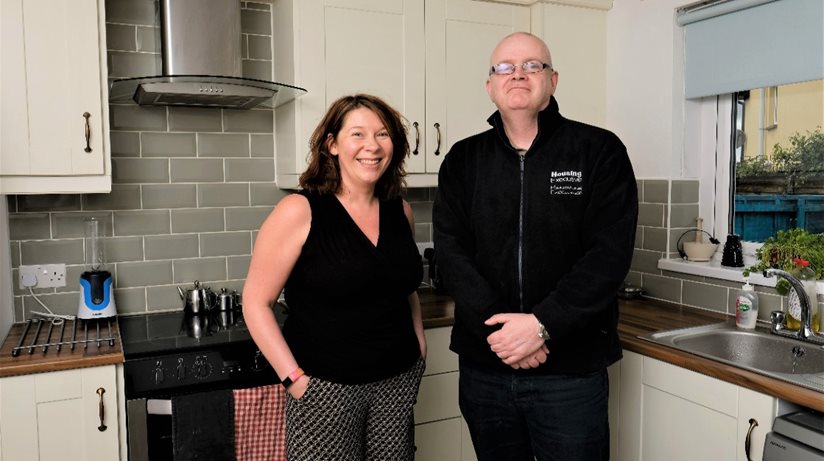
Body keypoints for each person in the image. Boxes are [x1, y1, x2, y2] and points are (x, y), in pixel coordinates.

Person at [433, 32, 638, 461]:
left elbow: (607, 256)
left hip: (570, 372)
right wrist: (505, 333)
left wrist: (541, 325)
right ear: (490, 85)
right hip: (486, 367)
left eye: (532, 65)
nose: (518, 75)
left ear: (553, 80)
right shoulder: (462, 160)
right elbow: (452, 254)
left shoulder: (599, 151)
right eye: (505, 67)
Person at [243, 94, 426, 461]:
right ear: (332, 145)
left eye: (383, 134)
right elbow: (256, 303)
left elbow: (404, 288)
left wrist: (419, 347)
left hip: (398, 380)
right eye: (357, 134)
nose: (371, 146)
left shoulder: (399, 211)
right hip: (325, 387)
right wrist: (295, 381)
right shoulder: (299, 210)